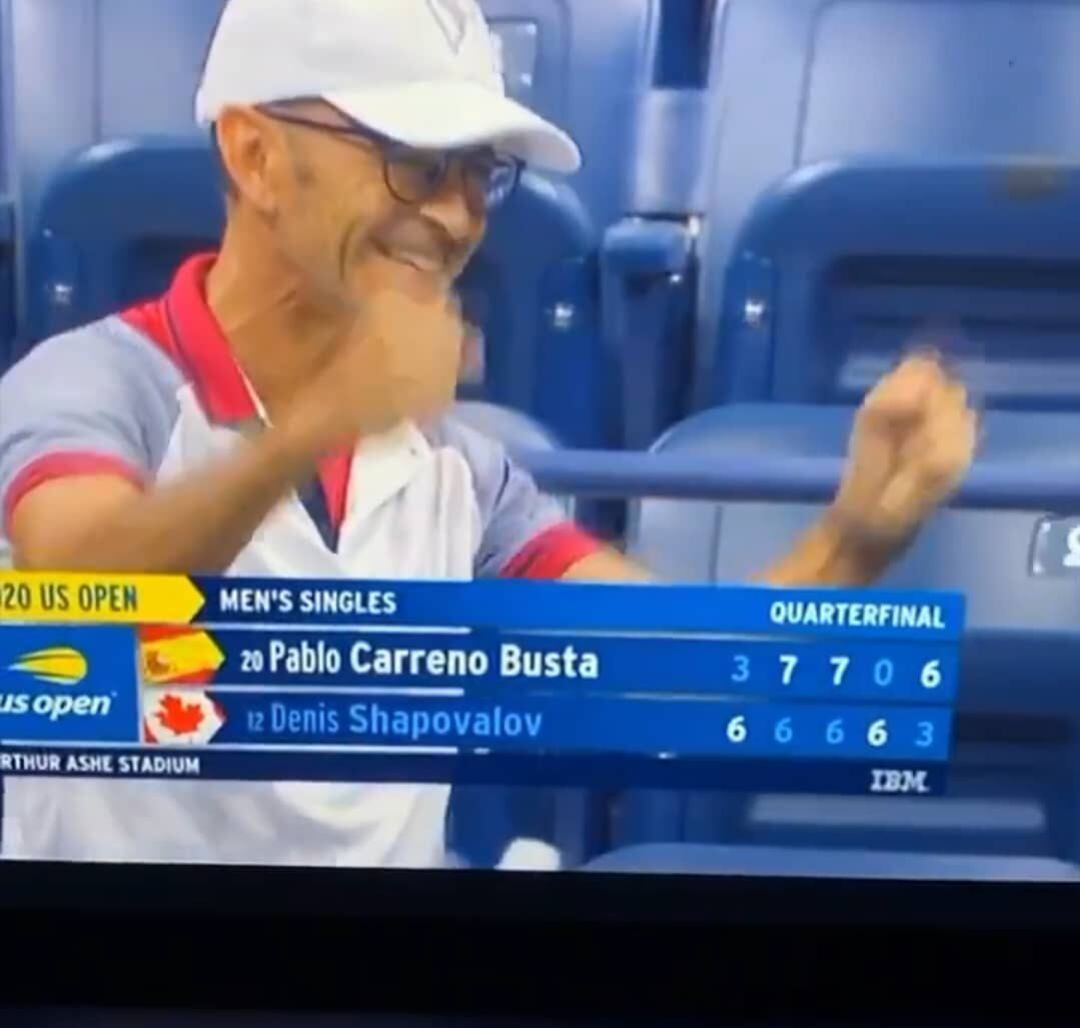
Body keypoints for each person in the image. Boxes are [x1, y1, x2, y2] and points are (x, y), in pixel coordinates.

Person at [0, 0, 976, 867]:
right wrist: (317, 420)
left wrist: (859, 536)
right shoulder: (92, 385)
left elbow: (684, 675)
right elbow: (77, 606)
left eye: (480, 176)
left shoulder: (466, 476)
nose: (459, 217)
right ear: (256, 154)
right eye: (416, 166)